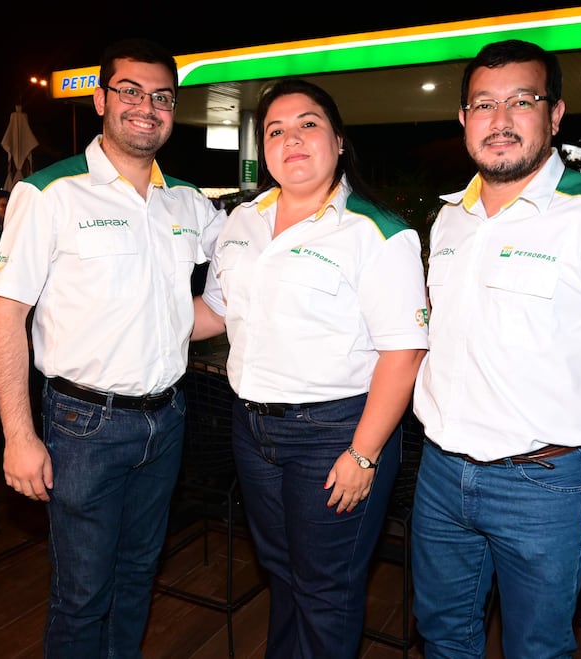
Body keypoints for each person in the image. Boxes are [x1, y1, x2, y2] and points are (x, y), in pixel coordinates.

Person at [410, 39, 581, 658]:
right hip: (439, 474)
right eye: (483, 104)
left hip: (544, 485)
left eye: (521, 101)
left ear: (555, 114)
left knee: (538, 649)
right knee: (443, 637)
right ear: (463, 120)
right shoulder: (449, 218)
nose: (500, 121)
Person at [0, 38, 225, 658]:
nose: (147, 107)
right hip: (81, 425)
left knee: (137, 578)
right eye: (130, 91)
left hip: (167, 418)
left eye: (162, 96)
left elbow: (247, 266)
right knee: (82, 594)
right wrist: (18, 432)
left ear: (174, 109)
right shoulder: (51, 193)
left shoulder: (188, 202)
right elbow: (6, 314)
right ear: (100, 99)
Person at [191, 78, 429, 658]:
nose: (290, 139)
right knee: (282, 573)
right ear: (263, 146)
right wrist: (125, 315)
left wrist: (364, 453)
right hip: (253, 430)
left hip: (336, 434)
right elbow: (214, 313)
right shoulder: (241, 223)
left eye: (308, 124)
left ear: (339, 141)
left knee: (326, 588)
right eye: (276, 129)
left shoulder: (376, 232)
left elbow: (405, 352)